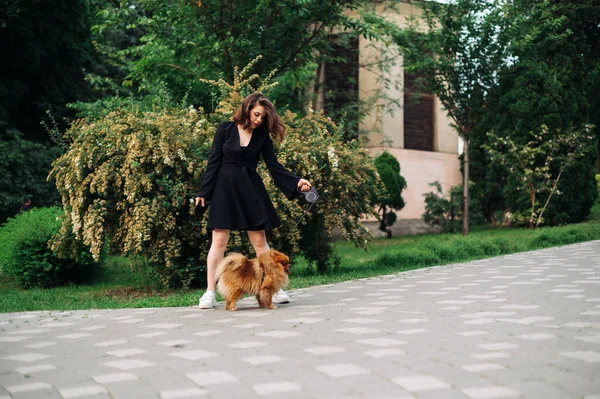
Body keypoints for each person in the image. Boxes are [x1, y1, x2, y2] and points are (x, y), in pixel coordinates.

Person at [195, 92, 312, 309]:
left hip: (250, 190)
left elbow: (274, 166)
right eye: (256, 114)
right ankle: (210, 292)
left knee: (260, 242)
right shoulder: (225, 129)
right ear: (247, 108)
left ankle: (274, 289)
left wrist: (297, 182)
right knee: (218, 242)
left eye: (263, 118)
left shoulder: (261, 137)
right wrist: (204, 192)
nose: (258, 120)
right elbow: (213, 162)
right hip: (224, 189)